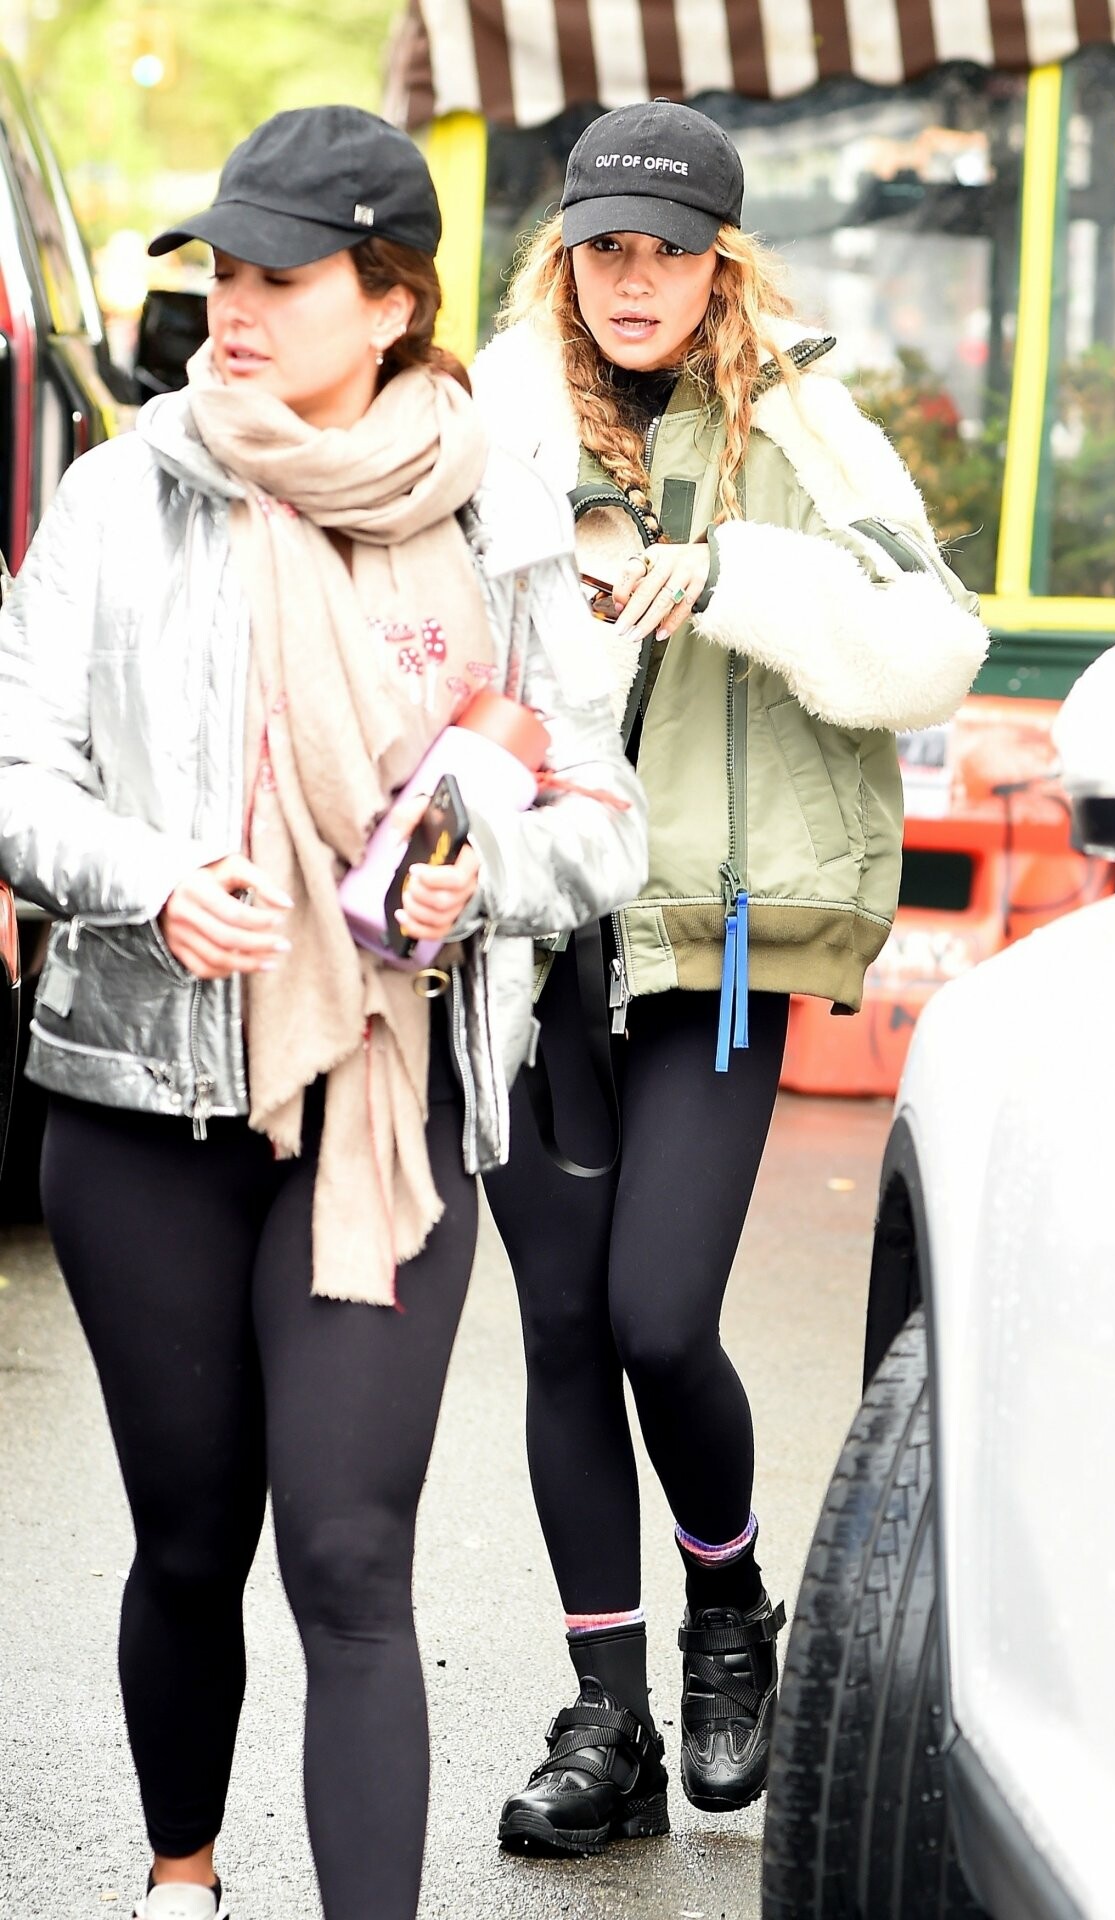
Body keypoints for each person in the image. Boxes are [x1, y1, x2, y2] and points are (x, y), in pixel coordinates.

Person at [0, 105, 646, 1920]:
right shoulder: (126, 494)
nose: (236, 307)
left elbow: (599, 809)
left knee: (351, 1557)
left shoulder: (503, 519)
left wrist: (481, 876)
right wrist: (150, 877)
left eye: (281, 277)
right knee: (191, 1539)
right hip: (143, 1101)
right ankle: (182, 1876)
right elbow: (17, 770)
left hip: (389, 1103)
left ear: (390, 303)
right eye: (222, 270)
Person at [470, 98, 989, 1854]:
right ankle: (605, 1716)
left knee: (656, 1319)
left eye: (670, 253)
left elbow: (932, 648)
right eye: (605, 250)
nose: (635, 282)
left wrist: (735, 577)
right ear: (564, 257)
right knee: (558, 1329)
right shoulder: (494, 419)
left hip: (715, 935)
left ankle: (726, 1607)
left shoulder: (804, 424)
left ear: (721, 264)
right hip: (531, 931)